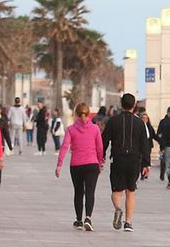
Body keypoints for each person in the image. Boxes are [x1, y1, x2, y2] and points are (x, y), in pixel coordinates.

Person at [104, 93, 152, 231]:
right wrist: (146, 163)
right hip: (134, 160)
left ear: (121, 104)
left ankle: (118, 209)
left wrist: (101, 156)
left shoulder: (113, 121)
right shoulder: (140, 123)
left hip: (118, 159)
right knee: (130, 191)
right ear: (134, 105)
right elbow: (145, 144)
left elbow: (104, 140)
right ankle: (128, 222)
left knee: (116, 190)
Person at [55, 102, 104, 231]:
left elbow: (64, 146)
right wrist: (100, 163)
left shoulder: (71, 129)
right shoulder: (95, 129)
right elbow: (100, 148)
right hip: (92, 164)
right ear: (88, 114)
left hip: (76, 165)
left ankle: (79, 220)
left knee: (78, 192)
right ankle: (88, 217)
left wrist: (59, 164)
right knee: (90, 192)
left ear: (76, 114)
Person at [135, 105, 156, 181]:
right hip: (140, 146)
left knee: (146, 159)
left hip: (148, 146)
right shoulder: (139, 126)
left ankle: (144, 173)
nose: (144, 119)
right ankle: (141, 172)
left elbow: (154, 135)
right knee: (140, 160)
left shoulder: (149, 127)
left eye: (146, 118)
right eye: (143, 118)